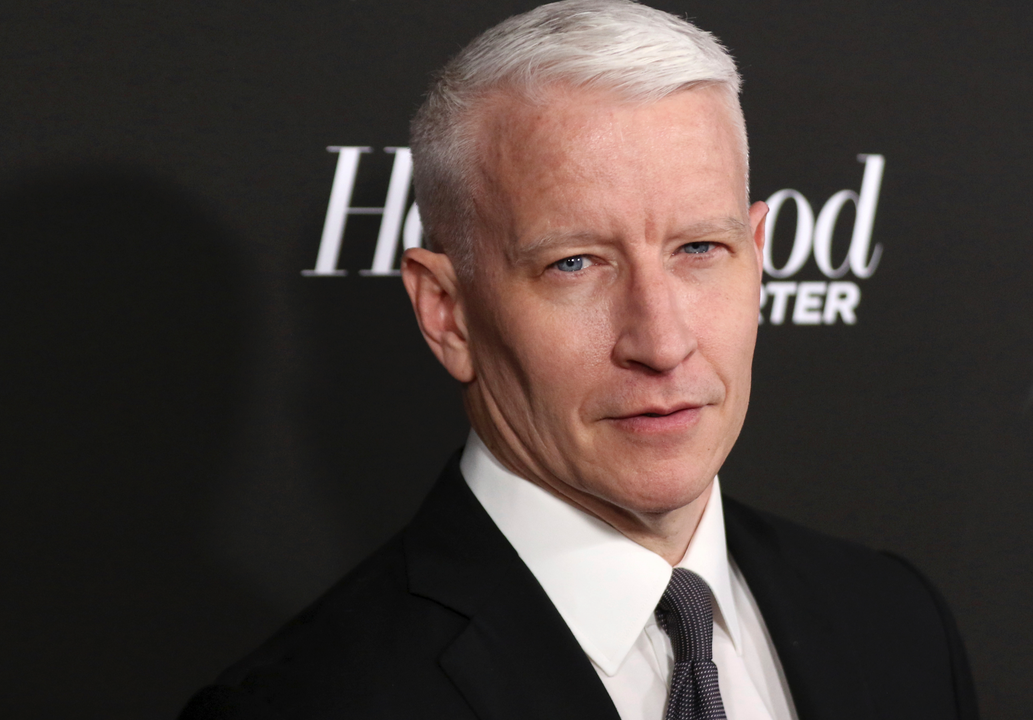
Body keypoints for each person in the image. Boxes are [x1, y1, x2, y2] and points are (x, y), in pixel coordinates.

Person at [181, 2, 978, 718]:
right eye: (575, 264)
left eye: (700, 248)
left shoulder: (896, 622)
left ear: (760, 260)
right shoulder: (306, 705)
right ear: (447, 312)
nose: (661, 342)